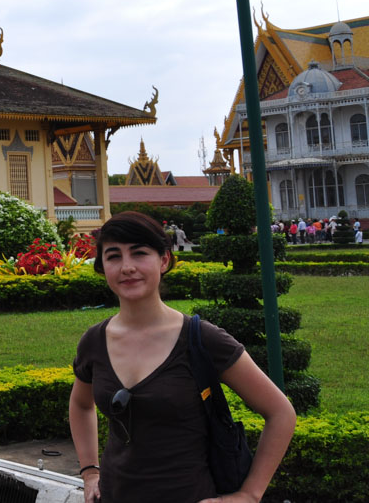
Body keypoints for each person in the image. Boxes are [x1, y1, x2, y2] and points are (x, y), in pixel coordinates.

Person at [69, 211, 296, 502]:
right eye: (114, 256)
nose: (127, 267)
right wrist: (89, 471)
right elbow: (80, 404)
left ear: (164, 260)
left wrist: (250, 494)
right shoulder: (94, 341)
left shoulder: (202, 339)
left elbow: (281, 413)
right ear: (102, 267)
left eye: (139, 253)